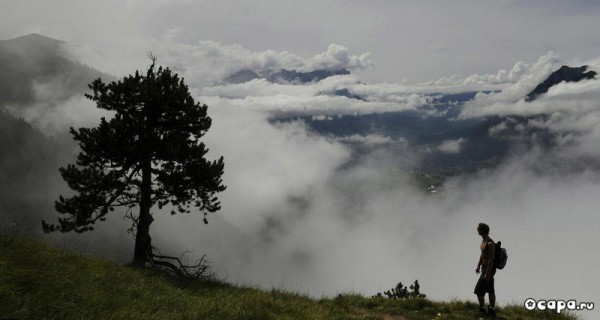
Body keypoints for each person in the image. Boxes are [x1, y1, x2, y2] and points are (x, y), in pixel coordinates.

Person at [475, 222, 496, 318]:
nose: (477, 229)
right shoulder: (483, 241)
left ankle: (483, 309)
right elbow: (482, 254)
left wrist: (487, 273)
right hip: (484, 267)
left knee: (478, 290)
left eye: (478, 228)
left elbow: (491, 259)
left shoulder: (490, 243)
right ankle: (492, 310)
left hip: (489, 269)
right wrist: (478, 265)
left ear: (482, 230)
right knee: (490, 289)